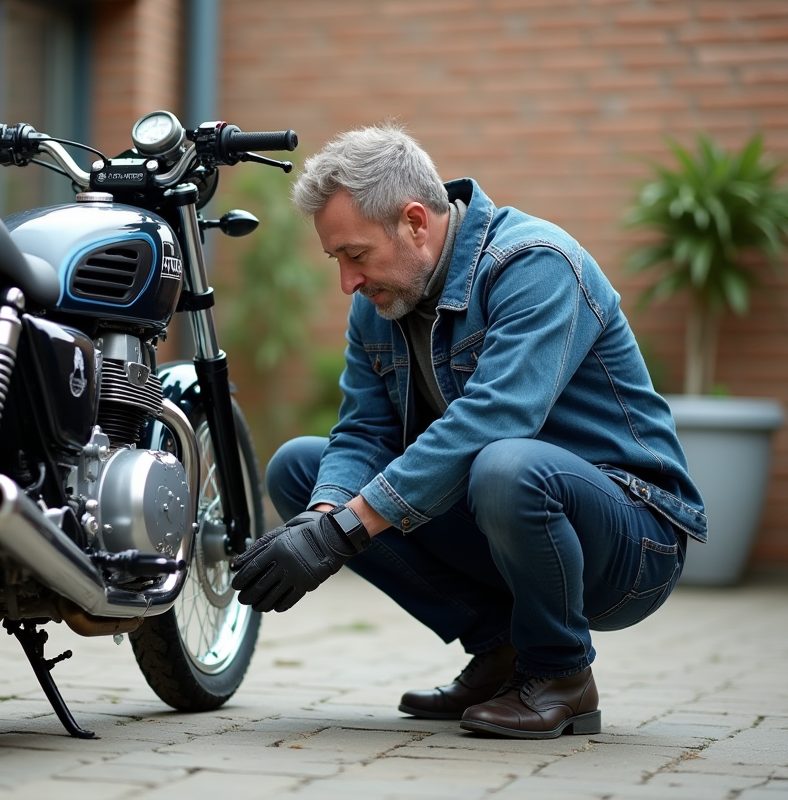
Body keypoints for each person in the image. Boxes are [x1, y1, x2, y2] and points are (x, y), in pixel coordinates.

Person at [229, 123, 707, 741]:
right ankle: (502, 650)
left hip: (631, 542)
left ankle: (561, 673)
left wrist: (345, 529)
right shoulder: (379, 306)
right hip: (508, 514)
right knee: (300, 466)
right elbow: (362, 433)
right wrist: (320, 520)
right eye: (336, 259)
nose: (347, 281)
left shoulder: (534, 263)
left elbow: (495, 419)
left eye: (356, 255)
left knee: (505, 464)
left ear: (415, 222)